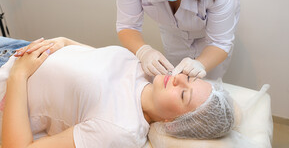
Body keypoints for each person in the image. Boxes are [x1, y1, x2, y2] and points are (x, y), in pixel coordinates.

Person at [0, 37, 235, 148]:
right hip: (15, 49)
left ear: (173, 122)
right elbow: (89, 56)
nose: (179, 79)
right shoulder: (145, 70)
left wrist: (18, 75)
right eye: (189, 77)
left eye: (184, 95)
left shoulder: (119, 129)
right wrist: (63, 41)